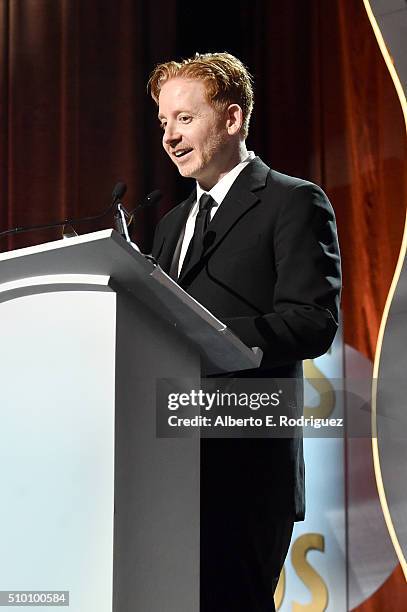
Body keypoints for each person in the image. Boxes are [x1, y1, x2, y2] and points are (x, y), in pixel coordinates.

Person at [148, 52, 341, 611]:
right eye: (163, 123)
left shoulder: (292, 201)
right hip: (167, 460)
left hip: (247, 464)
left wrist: (206, 335)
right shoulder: (168, 223)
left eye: (184, 118)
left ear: (232, 120)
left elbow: (312, 322)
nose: (169, 136)